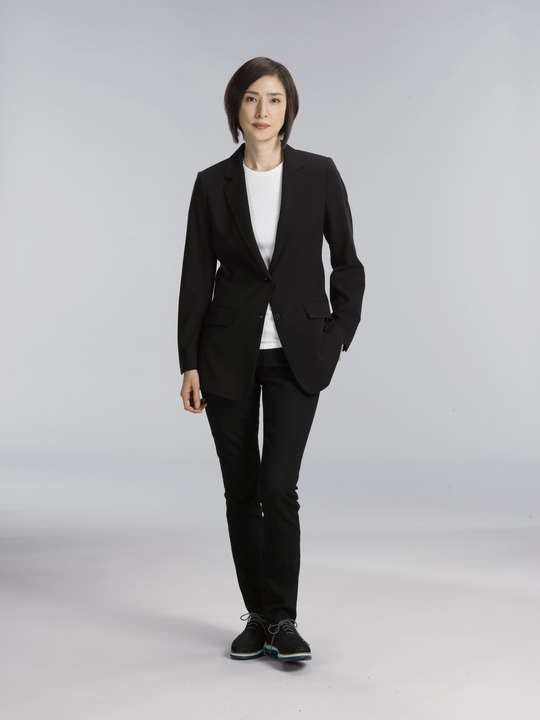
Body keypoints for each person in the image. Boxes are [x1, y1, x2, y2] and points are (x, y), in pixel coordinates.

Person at [177, 56, 366, 663]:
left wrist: (337, 334)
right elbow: (195, 276)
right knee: (240, 489)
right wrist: (188, 361)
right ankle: (256, 615)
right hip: (225, 355)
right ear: (236, 108)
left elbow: (347, 263)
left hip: (297, 353)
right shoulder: (212, 184)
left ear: (289, 109)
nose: (263, 111)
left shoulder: (319, 174)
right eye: (252, 98)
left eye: (275, 99)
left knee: (278, 486)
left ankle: (283, 618)